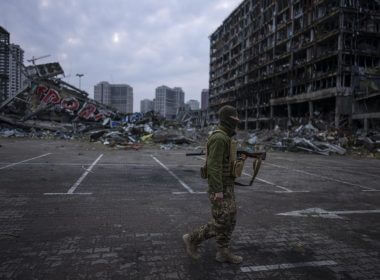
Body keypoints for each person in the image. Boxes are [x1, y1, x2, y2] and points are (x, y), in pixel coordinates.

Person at [183, 105, 244, 264]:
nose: (237, 122)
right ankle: (192, 238)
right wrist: (217, 190)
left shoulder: (226, 136)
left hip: (227, 185)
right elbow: (213, 166)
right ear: (227, 119)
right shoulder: (219, 137)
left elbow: (224, 161)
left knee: (230, 219)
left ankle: (223, 252)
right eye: (234, 119)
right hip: (220, 187)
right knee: (222, 221)